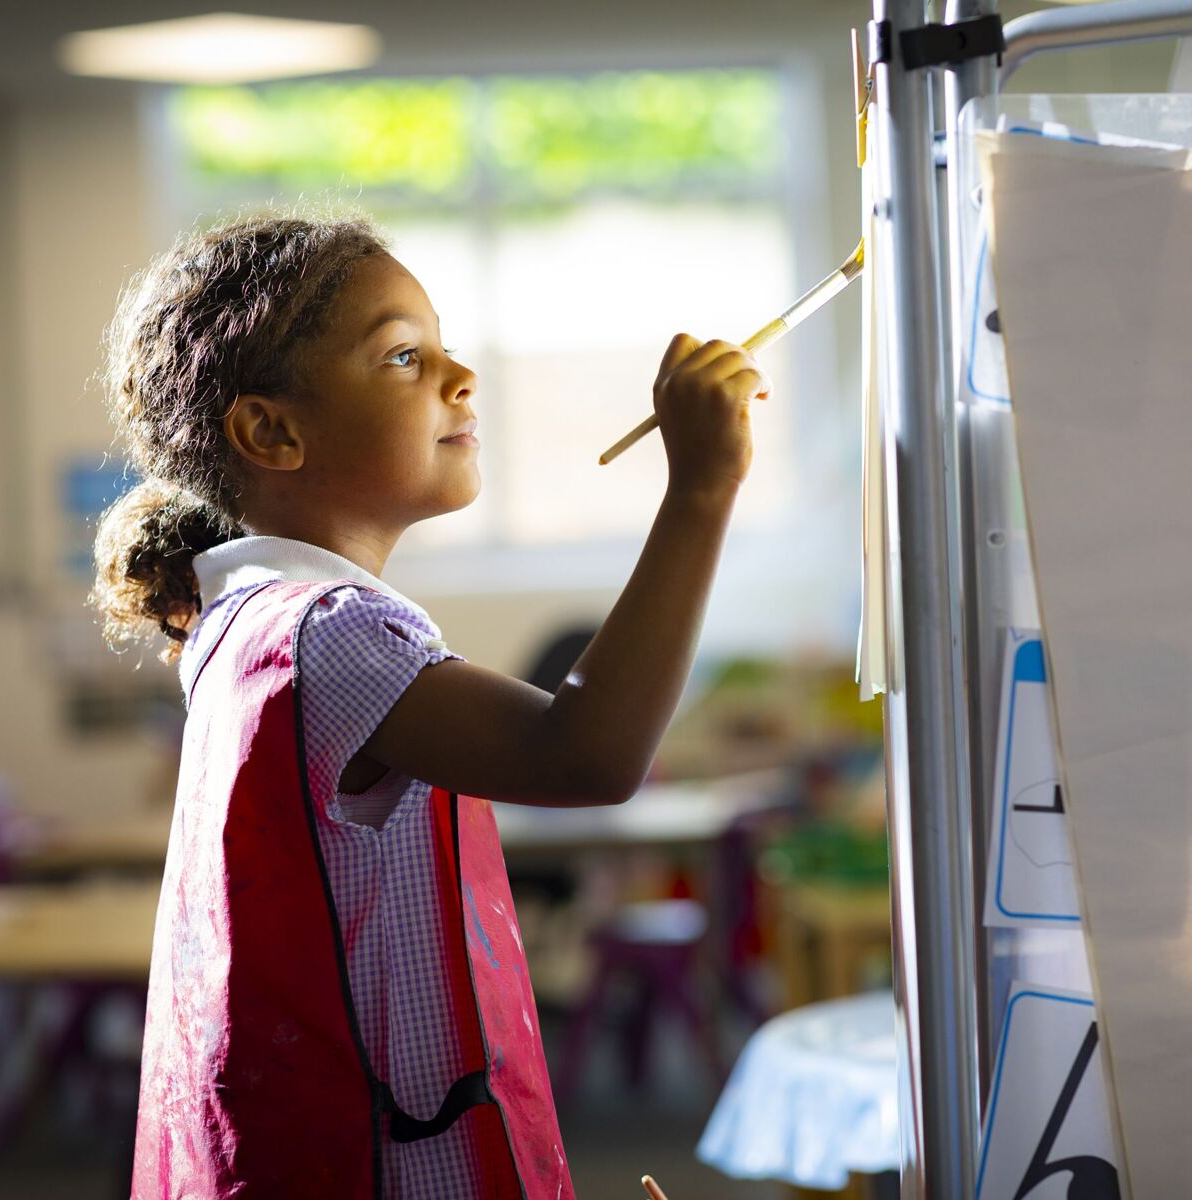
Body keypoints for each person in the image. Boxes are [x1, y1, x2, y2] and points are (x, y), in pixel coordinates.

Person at [90, 214, 765, 1199]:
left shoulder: (245, 619)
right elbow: (584, 756)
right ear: (271, 431)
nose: (460, 376)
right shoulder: (328, 628)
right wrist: (700, 491)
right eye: (404, 355)